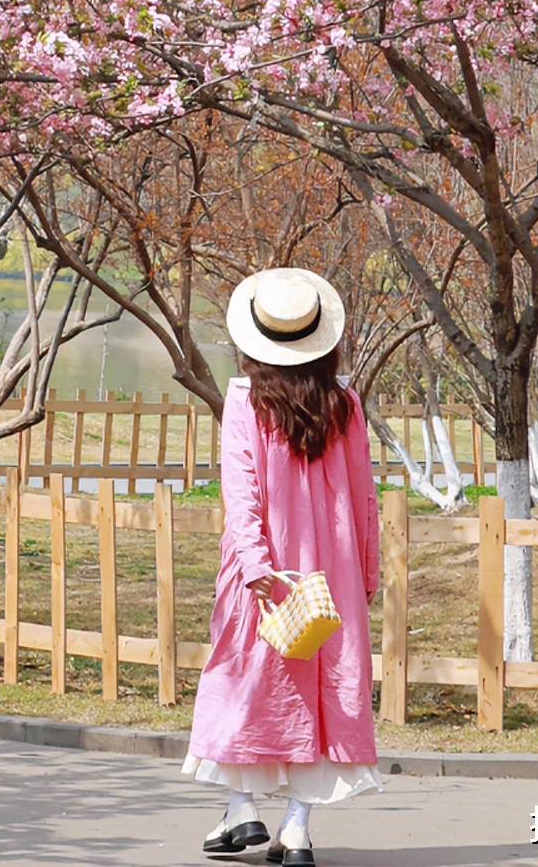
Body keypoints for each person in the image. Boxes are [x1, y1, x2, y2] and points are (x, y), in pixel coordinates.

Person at [184, 268, 380, 867]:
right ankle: (296, 830)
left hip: (266, 571)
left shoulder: (245, 401)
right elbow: (362, 494)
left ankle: (242, 809)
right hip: (331, 575)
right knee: (319, 695)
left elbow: (240, 495)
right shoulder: (344, 404)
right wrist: (365, 576)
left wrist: (253, 568)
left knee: (244, 683)